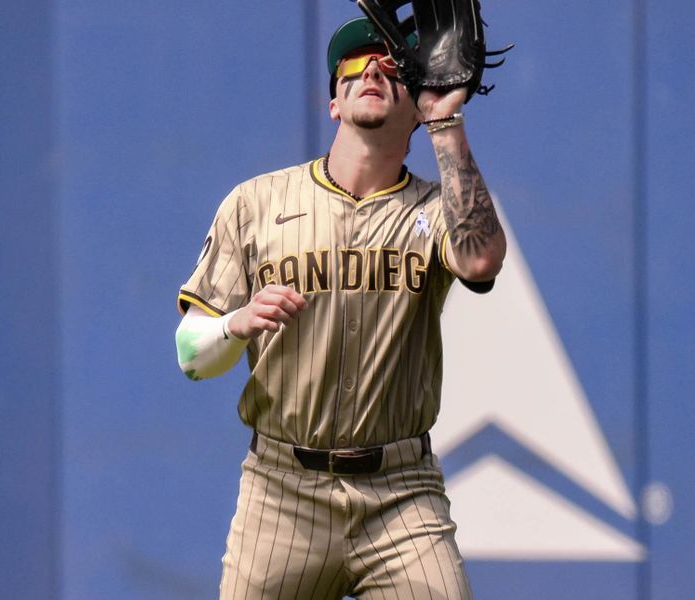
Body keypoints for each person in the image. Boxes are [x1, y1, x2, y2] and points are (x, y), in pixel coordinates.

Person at [175, 16, 506, 600]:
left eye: (392, 65)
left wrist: (447, 124)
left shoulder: (434, 209)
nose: (373, 68)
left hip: (402, 497)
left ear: (418, 102)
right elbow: (191, 355)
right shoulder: (256, 203)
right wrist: (235, 322)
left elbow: (480, 263)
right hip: (281, 492)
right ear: (333, 103)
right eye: (354, 63)